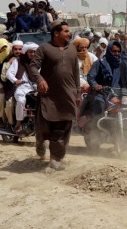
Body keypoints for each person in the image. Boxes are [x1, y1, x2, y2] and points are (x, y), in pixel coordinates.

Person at [29, 21, 80, 170]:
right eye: (66, 31)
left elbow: (76, 71)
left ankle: (56, 158)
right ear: (56, 33)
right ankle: (40, 144)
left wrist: (77, 92)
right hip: (48, 96)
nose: (69, 33)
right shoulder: (44, 49)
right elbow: (33, 66)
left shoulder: (72, 49)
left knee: (63, 128)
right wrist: (40, 79)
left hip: (67, 96)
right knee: (44, 128)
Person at [86, 41, 127, 116]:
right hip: (103, 92)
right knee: (99, 105)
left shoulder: (123, 64)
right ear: (109, 51)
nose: (117, 53)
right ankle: (96, 126)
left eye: (118, 51)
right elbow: (90, 77)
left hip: (120, 92)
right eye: (114, 51)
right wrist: (96, 85)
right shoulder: (100, 63)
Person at [6, 42, 38, 134]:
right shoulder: (18, 61)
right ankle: (19, 123)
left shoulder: (38, 62)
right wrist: (15, 80)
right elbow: (9, 73)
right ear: (27, 52)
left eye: (34, 52)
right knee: (21, 101)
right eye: (30, 52)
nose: (32, 54)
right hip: (21, 87)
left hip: (34, 88)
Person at [0, 39, 12, 127]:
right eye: (2, 48)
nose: (3, 50)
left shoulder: (11, 57)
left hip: (9, 82)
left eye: (5, 48)